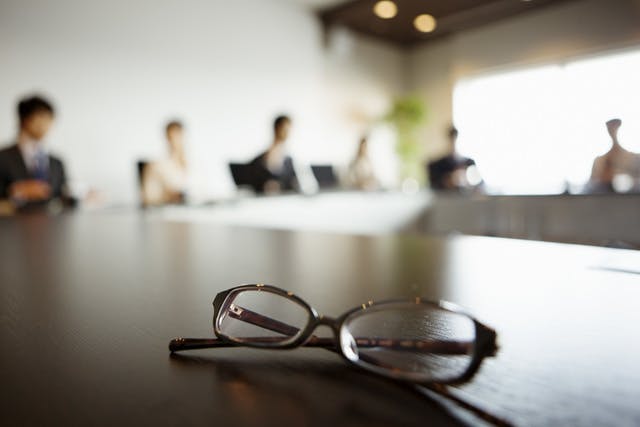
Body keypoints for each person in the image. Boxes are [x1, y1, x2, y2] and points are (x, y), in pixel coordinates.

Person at [0, 95, 71, 209]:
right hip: (13, 219)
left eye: (50, 118)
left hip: (50, 220)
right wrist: (15, 191)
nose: (47, 124)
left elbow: (62, 196)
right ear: (25, 119)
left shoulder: (56, 162)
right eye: (41, 117)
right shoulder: (3, 157)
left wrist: (80, 196)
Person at [142, 120, 189, 206]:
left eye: (179, 136)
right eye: (172, 137)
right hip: (167, 210)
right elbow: (147, 199)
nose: (175, 142)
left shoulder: (197, 165)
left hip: (194, 211)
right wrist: (167, 197)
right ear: (166, 138)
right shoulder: (155, 166)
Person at [248, 115, 297, 194]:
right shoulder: (259, 160)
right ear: (277, 128)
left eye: (289, 130)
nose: (288, 133)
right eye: (285, 129)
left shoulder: (288, 161)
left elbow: (292, 183)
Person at [589, 119, 640, 193]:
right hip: (604, 197)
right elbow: (592, 185)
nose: (613, 131)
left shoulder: (635, 158)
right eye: (610, 127)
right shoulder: (598, 161)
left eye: (616, 126)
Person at [427, 126, 480, 192]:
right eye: (452, 140)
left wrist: (466, 179)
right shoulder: (437, 165)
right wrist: (448, 180)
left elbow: (479, 184)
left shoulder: (470, 163)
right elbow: (433, 186)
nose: (454, 144)